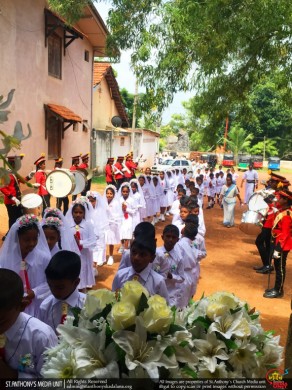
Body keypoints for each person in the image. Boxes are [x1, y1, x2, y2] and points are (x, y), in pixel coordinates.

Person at [0, 269, 58, 378]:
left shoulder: (41, 337)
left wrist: (13, 376)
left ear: (22, 306)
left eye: (1, 321)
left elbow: (51, 383)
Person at [37, 250, 86, 334]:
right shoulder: (45, 306)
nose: (54, 291)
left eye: (60, 287)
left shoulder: (87, 306)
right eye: (50, 285)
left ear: (76, 282)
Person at [112, 237, 169, 302]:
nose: (136, 258)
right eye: (134, 252)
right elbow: (112, 298)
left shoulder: (158, 282)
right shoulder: (120, 275)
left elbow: (165, 305)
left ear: (152, 258)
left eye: (142, 254)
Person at [263, 190, 292, 298]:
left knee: (280, 268)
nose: (278, 199)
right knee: (277, 266)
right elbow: (272, 204)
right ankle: (276, 287)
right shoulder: (282, 210)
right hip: (278, 242)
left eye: (280, 198)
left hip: (282, 245)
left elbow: (284, 234)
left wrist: (278, 249)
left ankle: (278, 290)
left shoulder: (287, 214)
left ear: (285, 200)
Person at [254, 173, 283, 273]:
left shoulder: (280, 195)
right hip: (266, 221)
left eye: (273, 181)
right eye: (270, 181)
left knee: (259, 241)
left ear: (278, 183)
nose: (270, 182)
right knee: (266, 243)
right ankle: (266, 265)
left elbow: (274, 206)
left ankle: (267, 265)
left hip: (271, 223)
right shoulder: (274, 193)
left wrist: (266, 199)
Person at [65, 198, 96, 291]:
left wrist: (81, 242)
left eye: (80, 212)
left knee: (83, 275)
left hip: (84, 255)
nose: (78, 214)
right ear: (72, 213)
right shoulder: (68, 226)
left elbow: (93, 241)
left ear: (84, 213)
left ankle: (83, 296)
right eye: (76, 212)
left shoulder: (88, 225)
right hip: (72, 255)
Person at [155, 225, 185, 308]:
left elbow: (182, 278)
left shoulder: (179, 257)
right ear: (162, 237)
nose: (170, 240)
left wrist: (172, 276)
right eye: (168, 236)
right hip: (155, 292)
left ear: (177, 240)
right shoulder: (155, 253)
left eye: (173, 237)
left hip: (170, 294)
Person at [0, 156, 23, 237]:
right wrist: (12, 197)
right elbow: (2, 187)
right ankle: (9, 236)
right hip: (11, 201)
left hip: (17, 200)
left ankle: (14, 235)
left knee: (18, 218)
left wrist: (29, 177)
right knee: (13, 219)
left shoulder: (13, 173)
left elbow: (20, 181)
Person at [104, 185, 123, 266]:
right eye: (107, 193)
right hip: (104, 224)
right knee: (102, 241)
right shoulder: (103, 202)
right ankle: (102, 256)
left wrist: (113, 220)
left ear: (114, 195)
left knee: (110, 241)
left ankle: (111, 256)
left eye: (111, 193)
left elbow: (118, 214)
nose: (109, 195)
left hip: (112, 224)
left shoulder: (116, 203)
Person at [118, 183, 137, 253]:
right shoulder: (119, 200)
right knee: (121, 232)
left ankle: (126, 249)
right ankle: (122, 245)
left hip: (129, 219)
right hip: (121, 218)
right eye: (123, 192)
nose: (125, 193)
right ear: (121, 192)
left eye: (126, 192)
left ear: (129, 192)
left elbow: (134, 211)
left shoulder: (132, 200)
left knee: (127, 233)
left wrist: (126, 209)